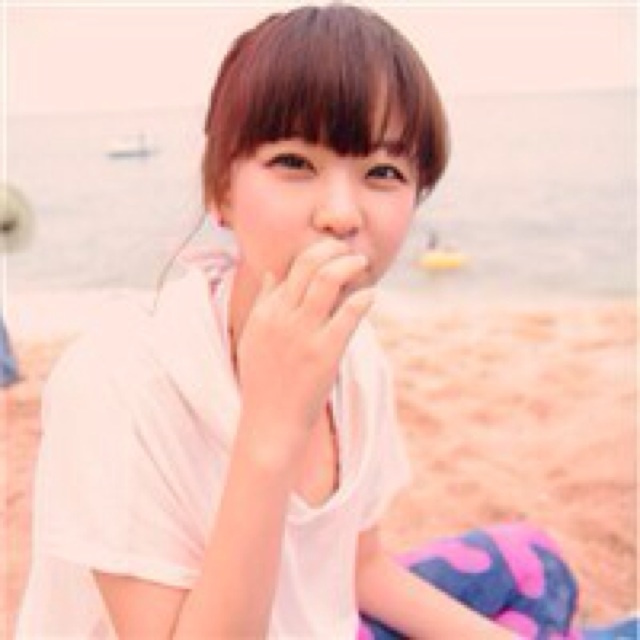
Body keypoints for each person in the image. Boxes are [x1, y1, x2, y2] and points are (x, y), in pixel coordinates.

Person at [14, 5, 631, 639]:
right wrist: (271, 423)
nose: (341, 213)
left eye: (384, 173)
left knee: (537, 560)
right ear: (220, 191)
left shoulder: (356, 358)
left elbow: (361, 569)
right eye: (293, 162)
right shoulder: (120, 379)